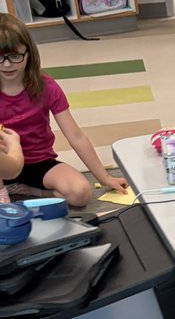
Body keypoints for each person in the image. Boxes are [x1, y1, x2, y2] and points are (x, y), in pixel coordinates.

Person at [0, 15, 128, 207]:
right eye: (0, 57)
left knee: (80, 193)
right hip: (3, 165)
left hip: (39, 162)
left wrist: (104, 177)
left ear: (29, 53)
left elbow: (76, 137)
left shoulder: (46, 86)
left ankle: (29, 190)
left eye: (15, 56)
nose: (7, 64)